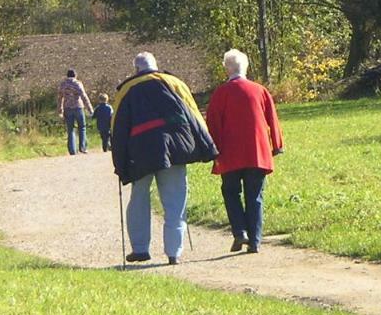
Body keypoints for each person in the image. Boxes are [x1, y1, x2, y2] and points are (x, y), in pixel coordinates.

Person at [111, 52, 216, 265]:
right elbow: (194, 115)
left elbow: (118, 130)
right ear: (156, 66)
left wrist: (120, 164)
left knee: (139, 197)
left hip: (140, 152)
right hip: (176, 150)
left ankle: (140, 249)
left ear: (136, 70)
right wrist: (209, 147)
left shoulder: (126, 91)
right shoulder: (174, 83)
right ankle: (173, 252)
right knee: (175, 200)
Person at [205, 48, 284, 254]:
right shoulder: (260, 90)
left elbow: (212, 124)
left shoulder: (221, 93)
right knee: (255, 196)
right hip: (257, 152)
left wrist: (211, 150)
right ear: (246, 67)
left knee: (231, 192)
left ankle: (240, 232)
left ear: (226, 69)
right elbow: (272, 120)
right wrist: (277, 145)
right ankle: (255, 241)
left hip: (229, 153)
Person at [57, 68, 93, 155]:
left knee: (70, 129)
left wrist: (60, 110)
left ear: (67, 75)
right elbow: (84, 96)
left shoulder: (63, 84)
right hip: (78, 107)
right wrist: (90, 109)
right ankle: (83, 147)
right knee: (82, 127)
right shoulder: (77, 83)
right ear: (75, 75)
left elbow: (60, 97)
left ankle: (72, 150)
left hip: (67, 107)